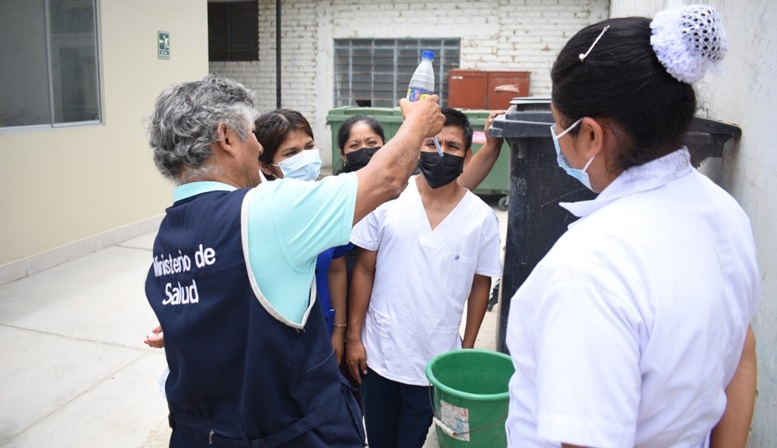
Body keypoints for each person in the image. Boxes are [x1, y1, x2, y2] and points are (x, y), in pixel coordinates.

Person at [504, 5, 760, 448]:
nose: (557, 140)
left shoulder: (591, 269)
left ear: (590, 136)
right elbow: (741, 354)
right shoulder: (725, 213)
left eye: (559, 126)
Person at [144, 74, 444, 448]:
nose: (256, 144)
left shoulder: (169, 233)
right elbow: (386, 179)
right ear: (226, 137)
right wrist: (418, 121)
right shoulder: (266, 210)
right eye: (251, 132)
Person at [346, 107, 503, 448]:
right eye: (432, 145)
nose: (441, 153)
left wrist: (466, 348)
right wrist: (355, 337)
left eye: (452, 146)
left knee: (413, 439)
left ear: (467, 154)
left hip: (435, 360)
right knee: (379, 438)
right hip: (380, 353)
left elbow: (481, 284)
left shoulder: (481, 219)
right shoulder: (387, 201)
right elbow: (363, 269)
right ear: (419, 149)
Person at [254, 108, 350, 364]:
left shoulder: (328, 202)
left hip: (324, 326)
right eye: (291, 154)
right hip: (279, 338)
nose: (305, 158)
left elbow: (337, 270)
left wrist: (339, 330)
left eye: (309, 146)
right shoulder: (256, 212)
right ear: (266, 166)